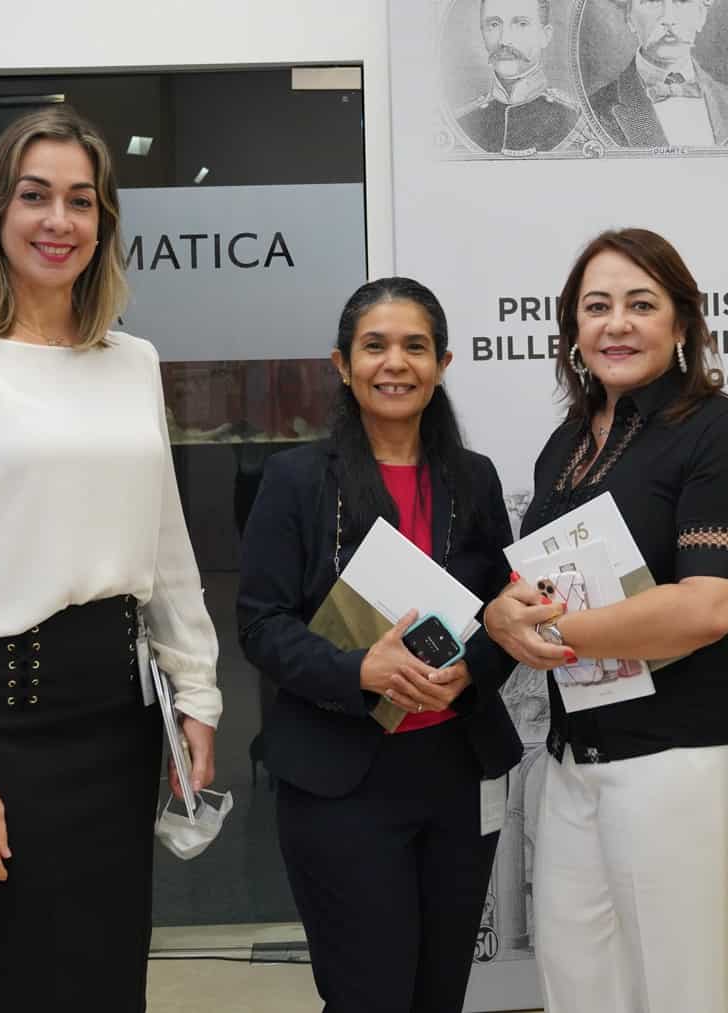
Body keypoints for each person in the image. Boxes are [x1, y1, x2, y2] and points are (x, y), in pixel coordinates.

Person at [0, 107, 221, 1012]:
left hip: (118, 720)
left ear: (103, 222)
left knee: (108, 985)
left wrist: (198, 689)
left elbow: (164, 544)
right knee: (18, 986)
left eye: (80, 200)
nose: (57, 221)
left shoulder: (131, 362)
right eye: (35, 197)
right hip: (3, 728)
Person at [482, 228, 728, 1012]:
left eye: (640, 304)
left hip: (684, 753)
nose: (616, 323)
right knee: (578, 982)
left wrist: (544, 633)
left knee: (679, 990)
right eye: (596, 306)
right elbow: (543, 577)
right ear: (571, 331)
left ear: (681, 322)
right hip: (578, 749)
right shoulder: (564, 445)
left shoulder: (717, 428)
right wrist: (505, 607)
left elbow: (708, 605)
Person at [236, 277, 522, 1013]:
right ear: (341, 363)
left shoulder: (474, 479)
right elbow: (260, 624)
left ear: (443, 362)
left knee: (439, 993)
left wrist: (471, 672)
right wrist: (357, 667)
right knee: (369, 995)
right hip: (341, 783)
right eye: (375, 346)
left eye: (414, 347)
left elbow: (505, 614)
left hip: (456, 773)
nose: (395, 363)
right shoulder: (297, 479)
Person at [588, 0, 728, 148]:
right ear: (629, 17)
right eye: (652, 1)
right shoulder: (594, 112)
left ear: (701, 15)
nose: (668, 19)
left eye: (683, 1)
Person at [455, 0, 579, 154]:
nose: (504, 40)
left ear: (545, 36)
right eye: (493, 25)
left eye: (521, 24)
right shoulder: (462, 121)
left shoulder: (575, 118)